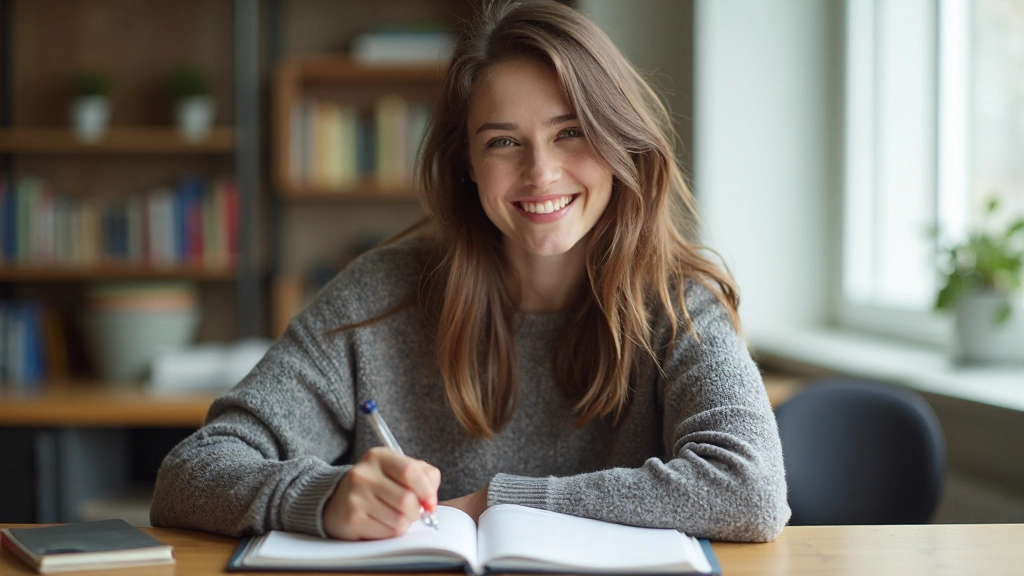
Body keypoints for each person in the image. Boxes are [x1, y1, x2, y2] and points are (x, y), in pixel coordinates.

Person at [150, 0, 790, 543]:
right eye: (503, 142)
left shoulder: (678, 305)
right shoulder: (379, 295)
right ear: (467, 166)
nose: (541, 173)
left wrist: (493, 503)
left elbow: (751, 489)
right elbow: (192, 472)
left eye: (571, 132)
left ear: (621, 141)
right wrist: (320, 494)